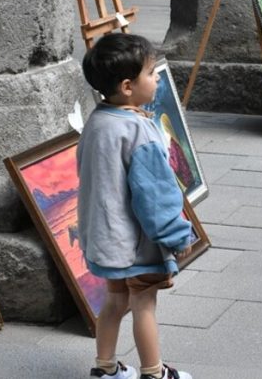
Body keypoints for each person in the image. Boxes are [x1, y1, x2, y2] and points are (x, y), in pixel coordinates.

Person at [78, 33, 194, 379]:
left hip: (105, 239)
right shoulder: (139, 132)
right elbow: (155, 195)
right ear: (128, 86)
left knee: (114, 302)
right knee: (144, 305)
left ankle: (106, 368)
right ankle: (154, 373)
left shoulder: (98, 122)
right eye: (151, 73)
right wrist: (177, 235)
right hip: (136, 244)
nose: (157, 78)